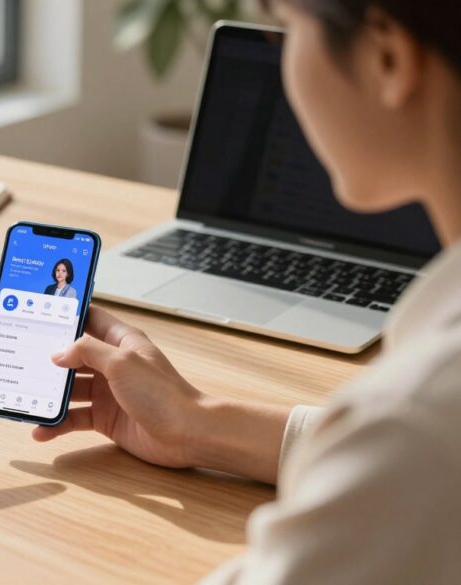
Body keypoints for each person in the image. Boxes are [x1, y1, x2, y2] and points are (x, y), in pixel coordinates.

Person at [34, 1, 461, 582]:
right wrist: (196, 422)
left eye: (287, 30)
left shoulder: (419, 420)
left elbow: (404, 453)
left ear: (388, 57)